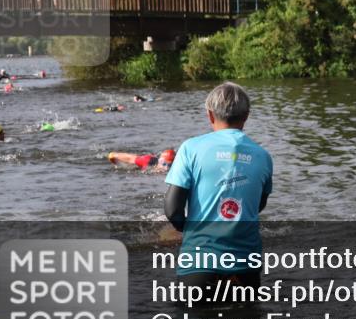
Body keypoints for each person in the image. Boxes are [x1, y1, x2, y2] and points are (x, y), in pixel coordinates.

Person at [164, 82, 273, 290]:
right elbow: (257, 205)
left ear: (210, 115)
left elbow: (172, 210)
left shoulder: (190, 148)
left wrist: (192, 231)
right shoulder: (263, 156)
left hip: (199, 265)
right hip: (245, 267)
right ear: (246, 116)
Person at [109, 149, 175, 172]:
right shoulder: (147, 160)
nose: (164, 167)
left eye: (167, 164)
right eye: (163, 163)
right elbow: (130, 158)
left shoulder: (172, 169)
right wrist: (114, 156)